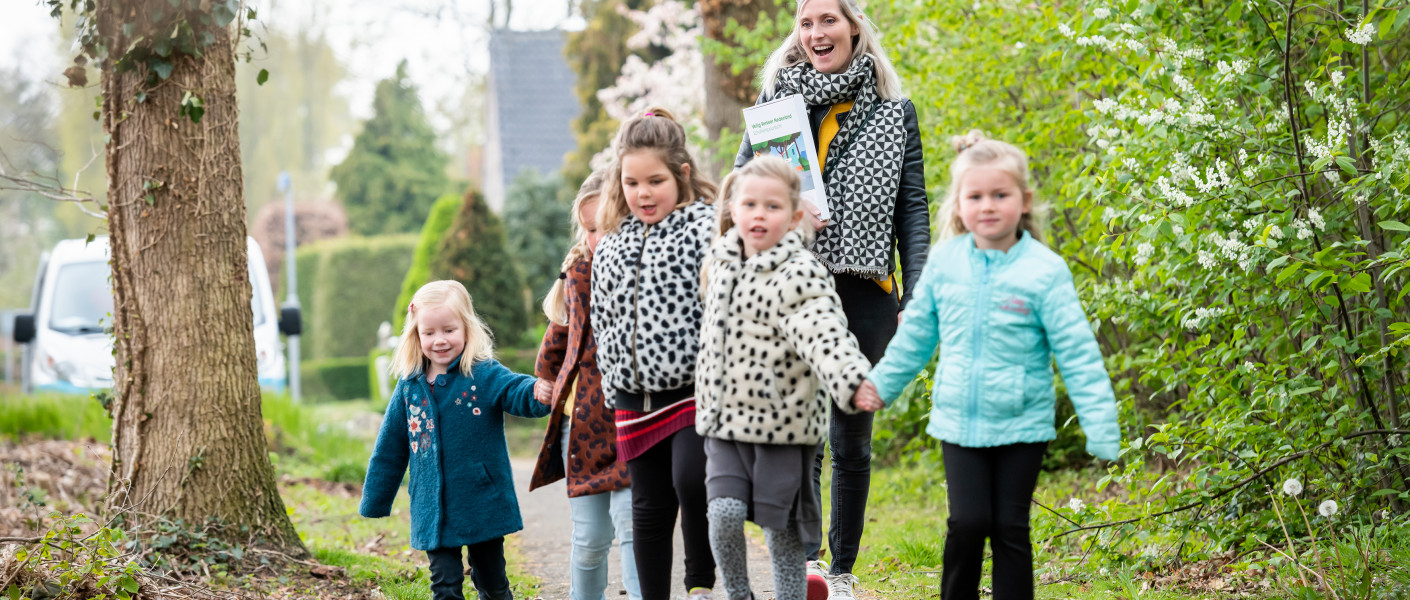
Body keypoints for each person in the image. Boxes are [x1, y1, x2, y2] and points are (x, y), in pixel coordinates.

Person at [853, 131, 1122, 600]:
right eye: (976, 196)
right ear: (958, 204)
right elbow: (916, 335)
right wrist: (880, 384)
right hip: (959, 422)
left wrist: (1100, 426)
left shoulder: (1044, 270)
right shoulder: (945, 263)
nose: (988, 206)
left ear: (1025, 200)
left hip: (1023, 424)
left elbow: (1078, 352)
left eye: (1001, 195)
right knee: (968, 522)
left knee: (1009, 528)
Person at [733, 0, 930, 595]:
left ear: (854, 26)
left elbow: (913, 210)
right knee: (800, 436)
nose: (817, 32)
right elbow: (738, 194)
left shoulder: (895, 115)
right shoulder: (773, 114)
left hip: (866, 292)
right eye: (806, 22)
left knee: (850, 438)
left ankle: (840, 572)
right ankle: (806, 567)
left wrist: (916, 290)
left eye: (828, 20)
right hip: (792, 294)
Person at [696, 156, 878, 600]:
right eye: (750, 204)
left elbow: (826, 333)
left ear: (796, 216)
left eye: (773, 207)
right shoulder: (719, 262)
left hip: (783, 427)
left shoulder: (800, 273)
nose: (759, 215)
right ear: (733, 210)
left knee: (782, 531)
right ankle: (740, 594)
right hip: (724, 422)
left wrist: (852, 379)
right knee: (721, 514)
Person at [590, 107, 720, 600]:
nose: (642, 194)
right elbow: (602, 319)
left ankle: (700, 583)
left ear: (682, 174)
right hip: (633, 395)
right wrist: (610, 379)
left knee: (692, 482)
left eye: (655, 181)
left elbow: (718, 307)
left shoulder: (705, 228)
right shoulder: (611, 244)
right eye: (631, 183)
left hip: (693, 389)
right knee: (648, 504)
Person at [360, 280, 554, 600]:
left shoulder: (482, 374)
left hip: (482, 502)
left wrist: (537, 392)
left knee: (492, 583)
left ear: (466, 327)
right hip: (432, 510)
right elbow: (390, 447)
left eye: (449, 330)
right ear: (416, 334)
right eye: (429, 332)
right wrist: (375, 500)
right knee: (444, 586)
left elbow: (515, 391)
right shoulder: (410, 387)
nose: (439, 340)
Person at [529, 170, 640, 600]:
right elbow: (563, 330)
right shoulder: (578, 270)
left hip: (634, 419)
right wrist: (545, 374)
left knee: (633, 526)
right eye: (591, 230)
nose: (599, 239)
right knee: (592, 538)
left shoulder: (652, 267)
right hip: (584, 425)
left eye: (608, 228)